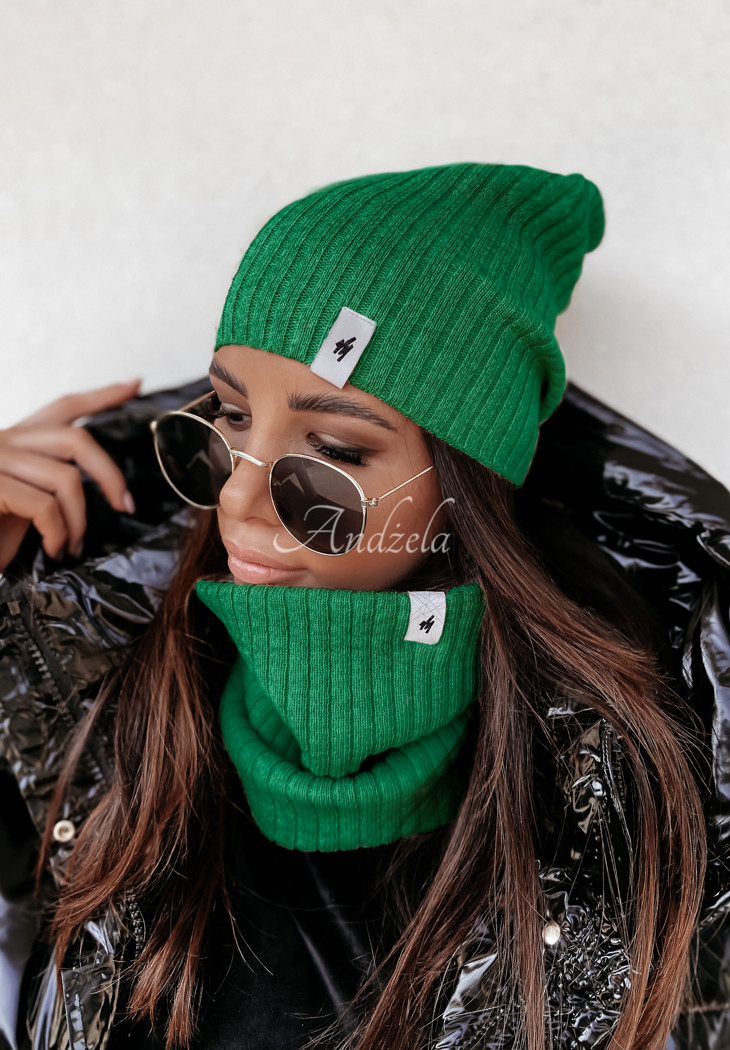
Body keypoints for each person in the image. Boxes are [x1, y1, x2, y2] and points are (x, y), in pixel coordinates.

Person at [1, 162, 730, 1050]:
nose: (238, 496)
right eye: (229, 415)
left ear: (462, 491)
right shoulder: (84, 677)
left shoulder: (633, 793)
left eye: (335, 451)